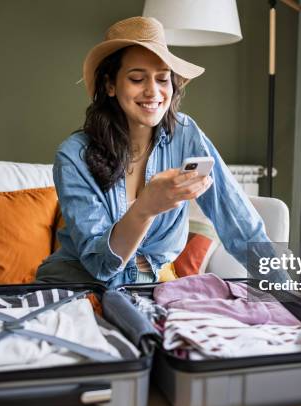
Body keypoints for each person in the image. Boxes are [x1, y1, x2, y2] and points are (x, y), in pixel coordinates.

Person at [35, 16, 284, 288]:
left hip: (147, 290)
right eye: (137, 78)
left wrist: (285, 289)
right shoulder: (74, 156)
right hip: (76, 287)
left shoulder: (185, 134)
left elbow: (236, 218)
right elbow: (101, 265)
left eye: (163, 79)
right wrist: (145, 207)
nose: (153, 91)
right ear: (110, 85)